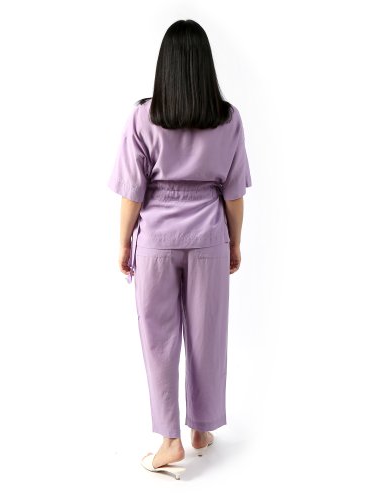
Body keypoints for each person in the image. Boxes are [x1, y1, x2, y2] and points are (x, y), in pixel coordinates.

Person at [107, 19, 252, 478]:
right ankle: (201, 430)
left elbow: (132, 192)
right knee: (209, 335)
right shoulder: (228, 118)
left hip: (156, 240)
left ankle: (170, 440)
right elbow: (234, 194)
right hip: (209, 236)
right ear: (205, 65)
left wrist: (123, 242)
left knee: (159, 338)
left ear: (165, 66)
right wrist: (235, 242)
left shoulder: (142, 117)